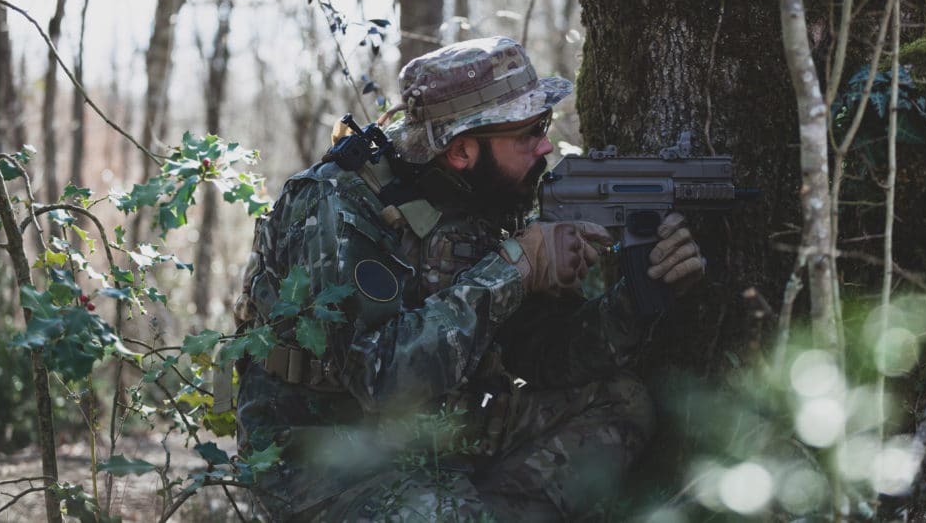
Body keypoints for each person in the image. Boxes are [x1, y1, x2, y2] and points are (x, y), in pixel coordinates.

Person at [233, 36, 706, 521]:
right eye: (529, 131)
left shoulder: (487, 195)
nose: (545, 144)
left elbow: (542, 355)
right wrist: (516, 267)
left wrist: (640, 294)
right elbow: (379, 378)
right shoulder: (337, 206)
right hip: (322, 456)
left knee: (621, 403)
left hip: (435, 428)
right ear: (461, 150)